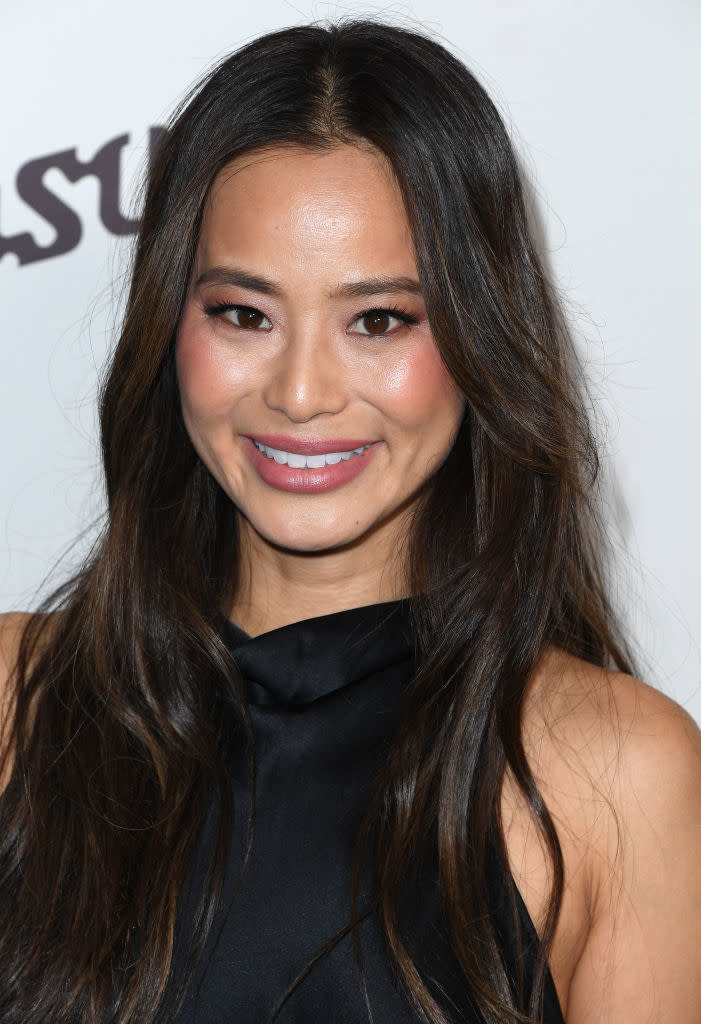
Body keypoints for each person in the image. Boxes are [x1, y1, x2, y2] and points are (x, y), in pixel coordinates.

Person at [0, 18, 699, 1024]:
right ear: (168, 323)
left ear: (478, 336)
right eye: (243, 313)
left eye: (378, 321)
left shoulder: (612, 775)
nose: (298, 392)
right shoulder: (19, 706)